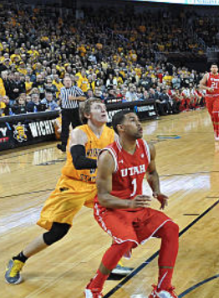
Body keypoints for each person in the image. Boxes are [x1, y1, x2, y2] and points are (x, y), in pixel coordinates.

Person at [5, 98, 131, 285]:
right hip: (73, 185)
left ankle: (113, 263)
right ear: (88, 114)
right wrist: (107, 163)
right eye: (98, 108)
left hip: (95, 186)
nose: (104, 110)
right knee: (58, 232)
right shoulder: (80, 133)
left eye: (104, 107)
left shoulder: (111, 135)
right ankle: (18, 260)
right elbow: (79, 162)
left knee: (119, 218)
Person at [84, 110, 179, 298]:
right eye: (133, 120)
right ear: (120, 128)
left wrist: (156, 191)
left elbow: (152, 172)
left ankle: (162, 288)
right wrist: (130, 202)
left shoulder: (147, 148)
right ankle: (93, 288)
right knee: (124, 241)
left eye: (138, 120)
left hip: (135, 206)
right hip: (110, 208)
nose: (139, 124)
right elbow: (103, 197)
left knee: (171, 229)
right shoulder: (108, 156)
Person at [58, 76, 86, 152]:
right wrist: (60, 103)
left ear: (71, 81)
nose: (67, 82)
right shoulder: (62, 89)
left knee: (77, 127)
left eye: (69, 80)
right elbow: (62, 98)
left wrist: (74, 98)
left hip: (74, 110)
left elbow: (84, 97)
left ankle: (81, 142)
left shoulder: (76, 89)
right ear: (63, 82)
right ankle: (64, 145)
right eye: (66, 81)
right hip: (65, 110)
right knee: (64, 128)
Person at [199, 64, 219, 141]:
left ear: (217, 69)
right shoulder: (207, 75)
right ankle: (215, 129)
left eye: (215, 67)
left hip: (217, 97)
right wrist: (207, 88)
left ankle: (217, 132)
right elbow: (200, 85)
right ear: (210, 69)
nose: (214, 68)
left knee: (215, 113)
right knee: (212, 116)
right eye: (213, 67)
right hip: (208, 97)